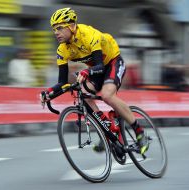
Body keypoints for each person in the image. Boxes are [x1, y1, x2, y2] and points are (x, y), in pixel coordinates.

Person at [40, 8, 148, 154]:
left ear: (71, 26)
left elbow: (100, 66)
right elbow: (62, 82)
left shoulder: (89, 34)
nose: (56, 32)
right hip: (95, 69)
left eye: (59, 28)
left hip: (112, 62)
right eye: (54, 29)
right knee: (83, 92)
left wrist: (86, 71)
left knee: (107, 95)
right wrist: (49, 93)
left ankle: (140, 132)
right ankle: (108, 128)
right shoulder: (62, 50)